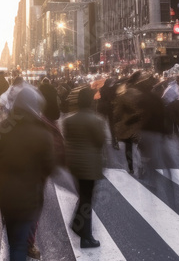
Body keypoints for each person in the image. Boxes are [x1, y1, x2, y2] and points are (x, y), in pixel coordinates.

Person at [0, 86, 55, 261]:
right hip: (29, 197)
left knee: (13, 237)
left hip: (4, 193)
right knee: (19, 244)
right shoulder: (43, 134)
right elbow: (50, 167)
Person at [63, 87, 105, 249]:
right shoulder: (96, 120)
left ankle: (80, 228)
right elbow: (100, 141)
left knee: (83, 197)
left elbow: (68, 138)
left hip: (74, 164)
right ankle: (85, 235)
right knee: (87, 200)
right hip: (90, 166)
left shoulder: (69, 120)